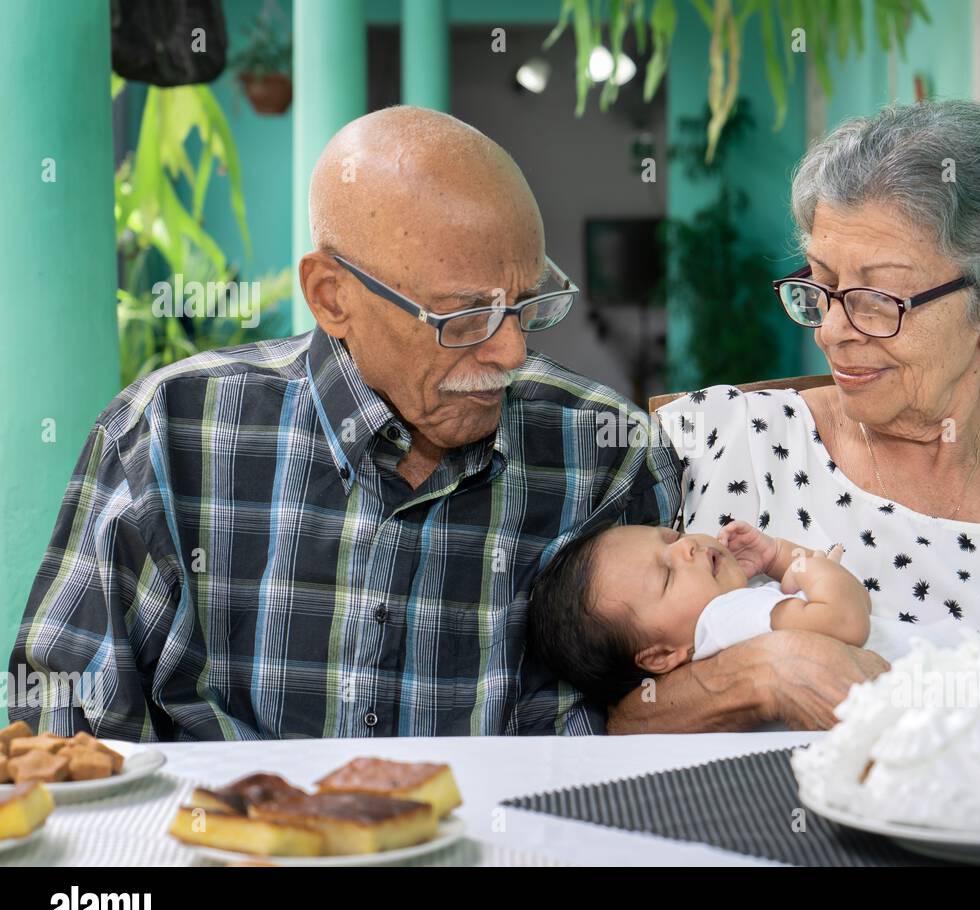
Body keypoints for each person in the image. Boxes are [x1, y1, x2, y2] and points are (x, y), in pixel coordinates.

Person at [7, 106, 680, 739]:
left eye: (528, 305)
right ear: (332, 296)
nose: (511, 352)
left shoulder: (603, 457)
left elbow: (667, 728)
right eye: (463, 318)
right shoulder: (167, 437)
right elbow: (61, 739)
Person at [608, 100, 980, 733]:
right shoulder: (724, 444)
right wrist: (768, 671)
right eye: (820, 285)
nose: (833, 332)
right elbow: (608, 725)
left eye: (876, 297)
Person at [528, 519, 871, 704]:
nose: (685, 546)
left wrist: (779, 562)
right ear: (660, 655)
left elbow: (851, 605)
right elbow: (848, 620)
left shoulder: (729, 632)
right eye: (667, 575)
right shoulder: (725, 618)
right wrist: (805, 565)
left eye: (670, 536)